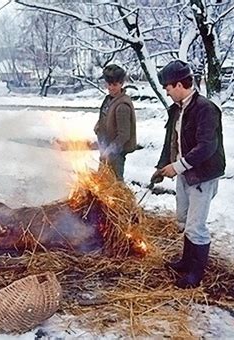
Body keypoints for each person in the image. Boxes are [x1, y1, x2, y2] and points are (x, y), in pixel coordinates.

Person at [151, 59, 225, 289]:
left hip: (202, 175)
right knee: (183, 220)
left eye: (168, 87)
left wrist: (178, 166)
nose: (166, 91)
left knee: (196, 225)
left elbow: (207, 147)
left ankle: (196, 274)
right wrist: (162, 166)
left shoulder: (205, 108)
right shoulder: (176, 109)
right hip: (185, 173)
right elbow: (170, 141)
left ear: (180, 84)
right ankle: (185, 261)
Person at [94, 64, 137, 181]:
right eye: (108, 84)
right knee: (101, 184)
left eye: (114, 85)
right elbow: (105, 117)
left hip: (116, 153)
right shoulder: (109, 100)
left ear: (121, 84)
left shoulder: (122, 106)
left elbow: (124, 135)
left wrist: (110, 151)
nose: (111, 88)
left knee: (115, 185)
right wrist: (98, 126)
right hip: (106, 149)